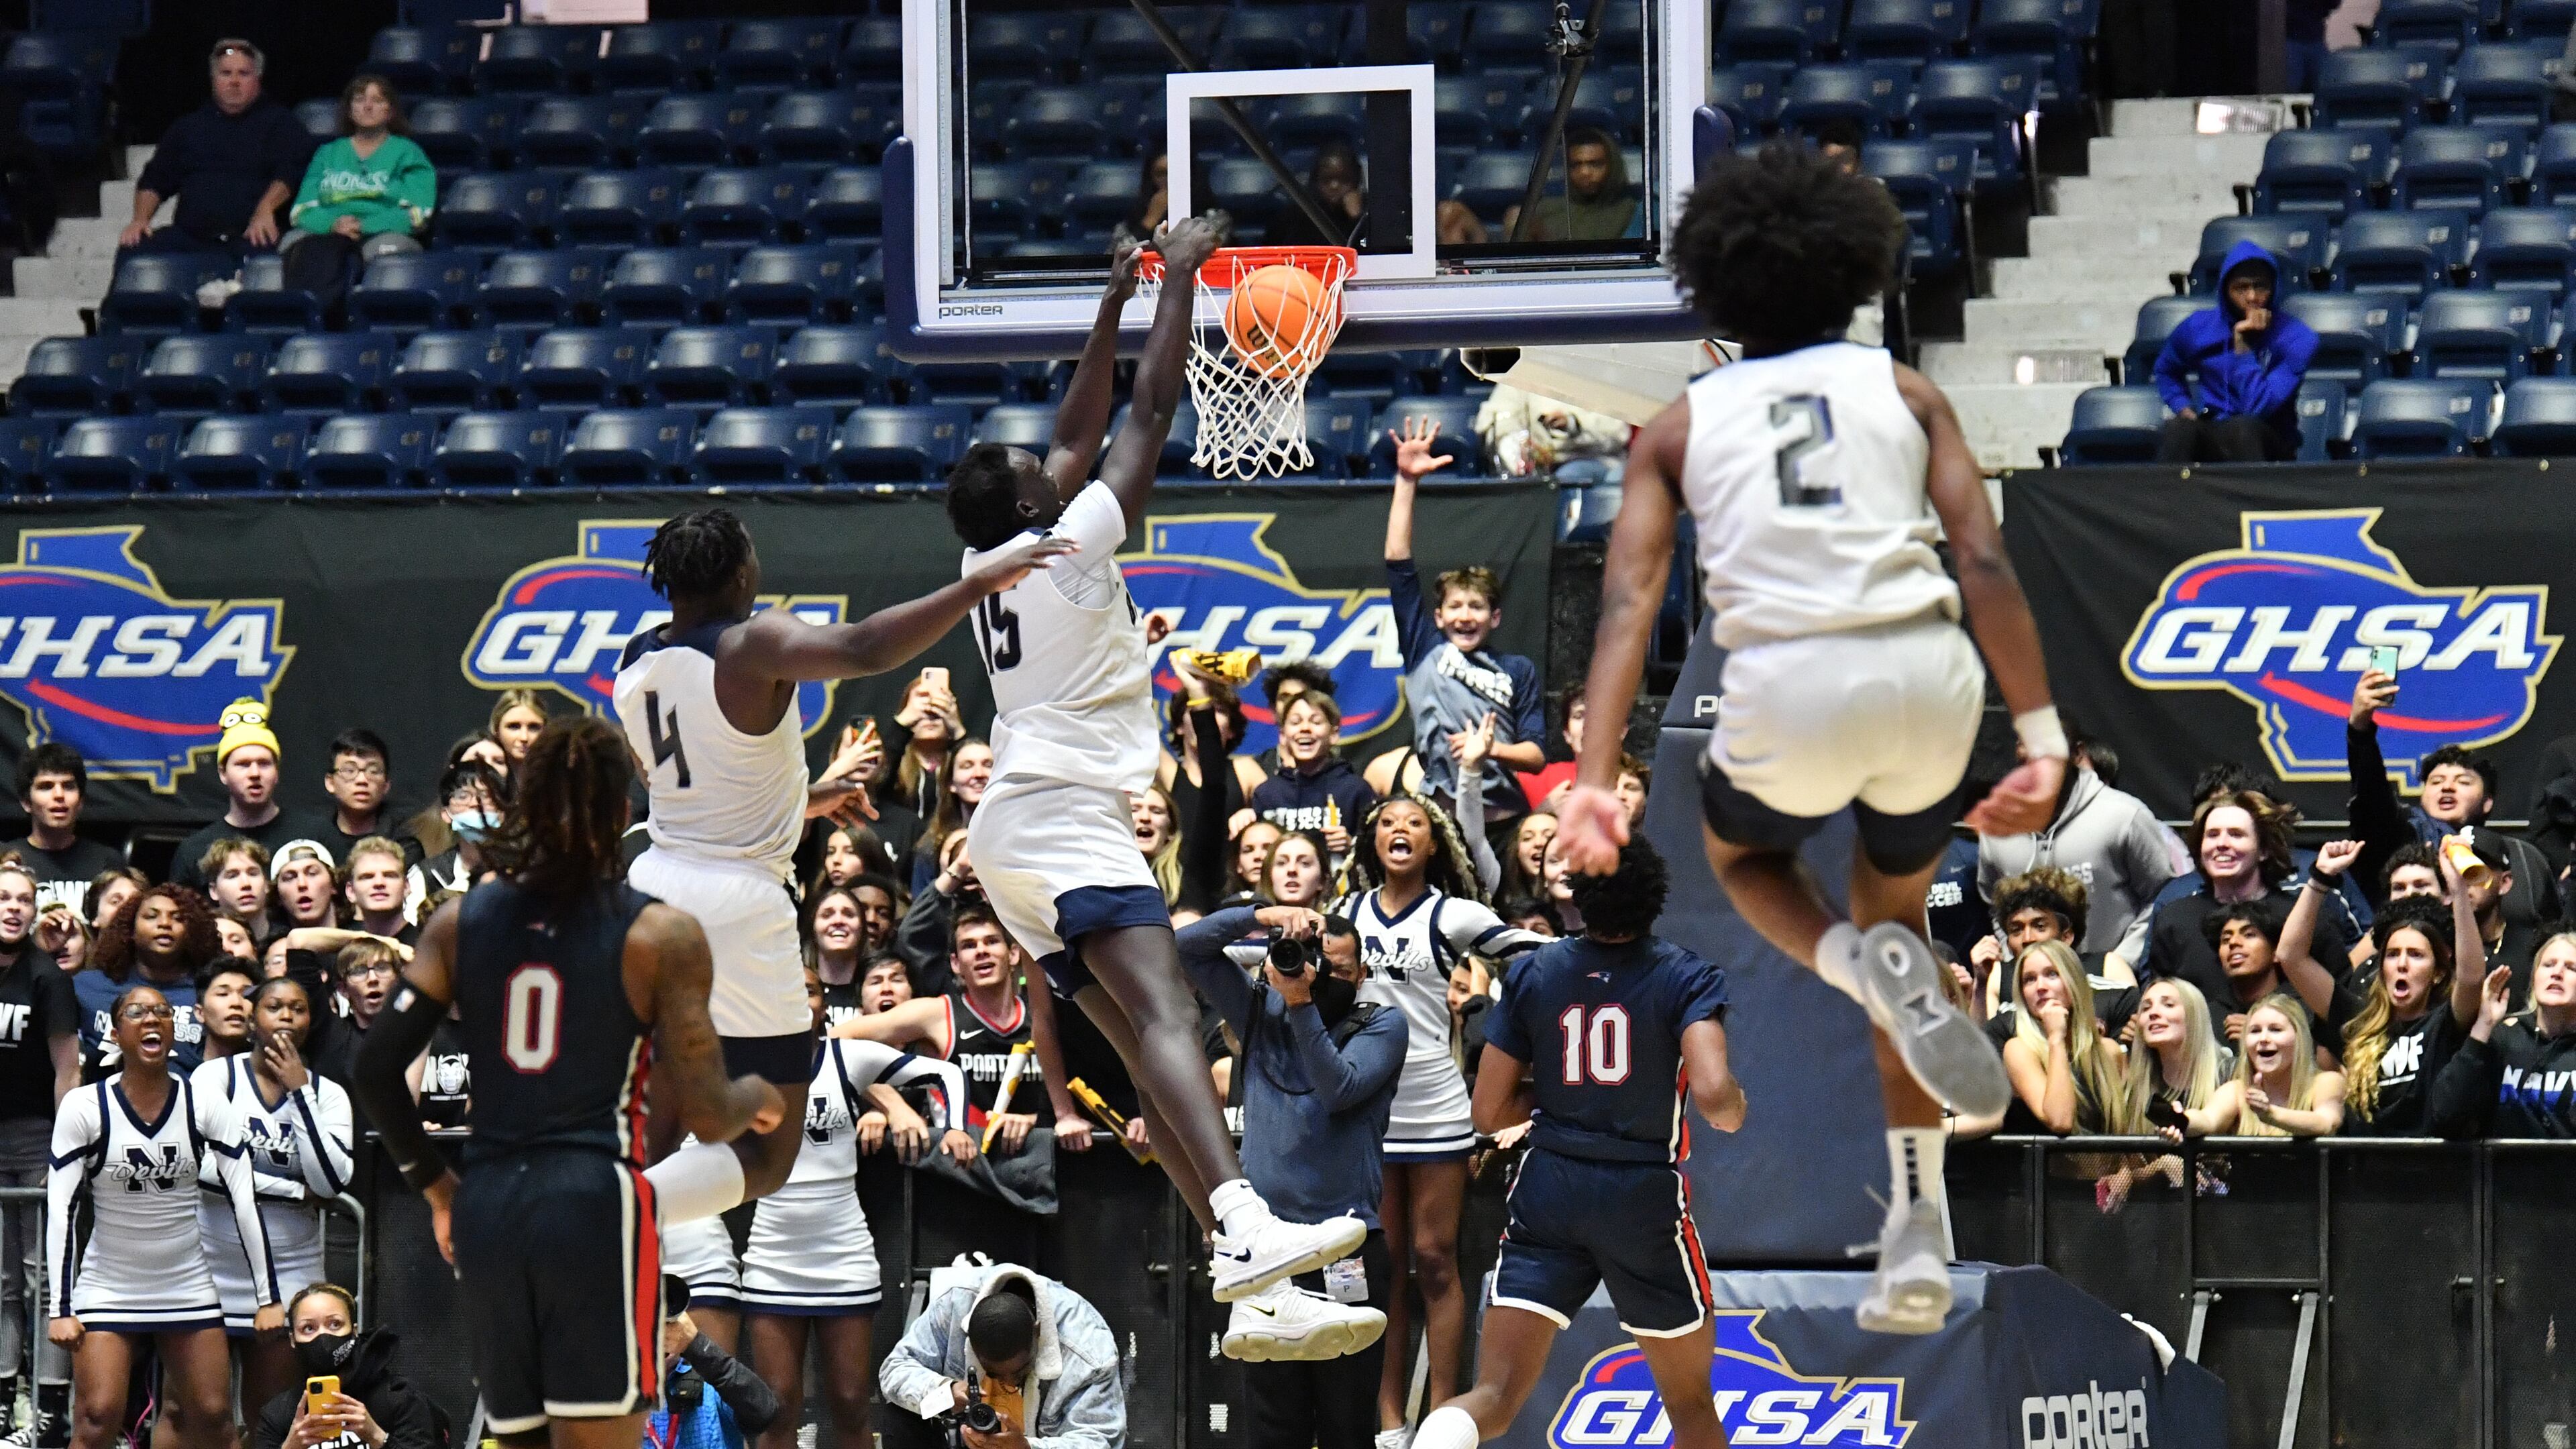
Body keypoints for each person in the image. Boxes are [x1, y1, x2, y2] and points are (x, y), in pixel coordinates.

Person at [1556, 141, 2061, 1335]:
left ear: (1713, 291)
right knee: (1897, 926)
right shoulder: (1908, 391)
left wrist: (1590, 778)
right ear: (1854, 276)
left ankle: (1851, 964)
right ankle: (1919, 1236)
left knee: (1747, 865)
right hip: (1930, 681)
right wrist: (2040, 734)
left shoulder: (1680, 424)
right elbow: (1984, 560)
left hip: (1787, 685)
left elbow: (1630, 602)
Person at [939, 217, 1368, 1321]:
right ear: (1037, 501)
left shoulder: (991, 553)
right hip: (1058, 815)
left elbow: (1075, 431)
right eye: (1041, 470)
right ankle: (1247, 1216)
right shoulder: (1074, 545)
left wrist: (1108, 301)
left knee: (1141, 1051)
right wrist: (1176, 281)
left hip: (1018, 832)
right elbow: (1147, 413)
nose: (1054, 458)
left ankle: (1244, 1268)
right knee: (1170, 1015)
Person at [610, 504, 1062, 1227]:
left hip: (655, 887)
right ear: (738, 573)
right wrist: (976, 587)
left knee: (660, 1120)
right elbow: (861, 650)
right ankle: (619, 1214)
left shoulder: (633, 659)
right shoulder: (751, 642)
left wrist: (803, 802)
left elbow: (684, 779)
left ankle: (616, 1251)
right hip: (736, 902)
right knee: (771, 1150)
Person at [352, 717, 784, 1447]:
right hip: (591, 1205)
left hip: (489, 1200)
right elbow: (712, 1116)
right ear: (623, 815)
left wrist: (437, 1187)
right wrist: (763, 1099)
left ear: (525, 810)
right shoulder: (660, 934)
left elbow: (373, 1068)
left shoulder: (458, 921)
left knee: (518, 1438)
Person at [1407, 839, 1743, 1449]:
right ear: (1653, 896)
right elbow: (1717, 1100)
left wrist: (1561, 1107)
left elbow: (1488, 1109)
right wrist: (1734, 1108)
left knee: (1495, 1399)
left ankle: (1434, 1439)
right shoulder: (1686, 974)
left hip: (1548, 1185)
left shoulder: (1534, 971)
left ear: (1581, 898)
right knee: (1690, 1403)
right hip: (1640, 1193)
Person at [1332, 796, 1546, 1434]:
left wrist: (1595, 948)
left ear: (1435, 844)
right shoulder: (1343, 915)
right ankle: (1391, 1421)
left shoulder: (1452, 915)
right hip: (1369, 1102)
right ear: (1372, 841)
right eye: (1389, 824)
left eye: (1415, 824)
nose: (1401, 831)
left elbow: (1526, 949)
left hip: (1435, 1104)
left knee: (1435, 1259)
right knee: (1385, 1265)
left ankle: (1445, 1419)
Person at [1176, 906, 1400, 1394]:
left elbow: (1339, 1088)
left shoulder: (1382, 1025)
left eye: (1340, 971)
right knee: (1273, 1421)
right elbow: (1187, 946)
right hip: (1267, 1252)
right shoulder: (1260, 1011)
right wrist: (1261, 913)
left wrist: (1301, 1005)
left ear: (1362, 976)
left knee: (1347, 1418)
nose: (1323, 978)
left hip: (1347, 1247)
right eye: (1317, 962)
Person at [743, 970, 969, 1449]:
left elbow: (945, 1072)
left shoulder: (849, 1057)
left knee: (849, 1402)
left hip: (843, 1252)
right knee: (777, 1405)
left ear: (823, 1004)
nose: (795, 997)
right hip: (772, 1253)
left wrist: (954, 1126)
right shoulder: (745, 1067)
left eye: (807, 988)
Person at [48, 984, 280, 1449]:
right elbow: (61, 1209)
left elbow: (244, 1199)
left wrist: (268, 1297)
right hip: (108, 1284)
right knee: (96, 1418)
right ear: (115, 1033)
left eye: (161, 1011)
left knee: (215, 1417)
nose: (151, 1019)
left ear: (176, 1030)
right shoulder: (85, 1106)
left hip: (186, 1282)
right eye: (136, 1012)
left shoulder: (204, 1102)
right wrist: (61, 1309)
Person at [191, 976, 354, 1419]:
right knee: (193, 1412)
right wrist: (290, 1190)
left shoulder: (329, 1095)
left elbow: (330, 1183)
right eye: (274, 1006)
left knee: (274, 1413)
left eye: (298, 1008)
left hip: (290, 1274)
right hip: (210, 1268)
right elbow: (201, 1168)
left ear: (310, 1021)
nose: (286, 1016)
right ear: (252, 1019)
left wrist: (300, 1094)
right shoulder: (216, 1077)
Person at [1376, 418, 1544, 833]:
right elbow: (1398, 563)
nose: (1466, 616)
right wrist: (1406, 482)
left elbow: (1536, 756)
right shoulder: (1424, 648)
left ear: (1495, 617)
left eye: (1477, 607)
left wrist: (1490, 751)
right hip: (1442, 822)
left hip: (1503, 821)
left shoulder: (1517, 670)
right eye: (1455, 607)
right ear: (1438, 617)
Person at [2347, 668, 2559, 932]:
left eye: (2463, 781)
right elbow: (2373, 798)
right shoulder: (2403, 836)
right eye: (2436, 782)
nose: (2447, 786)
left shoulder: (2522, 857)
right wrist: (2360, 732)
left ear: (2488, 802)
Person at [2280, 867, 2479, 1137]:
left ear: (2439, 973)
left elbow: (2471, 977)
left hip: (2433, 1171)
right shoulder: (2358, 1019)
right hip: (2365, 1172)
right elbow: (2291, 956)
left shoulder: (2446, 1022)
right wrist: (2318, 880)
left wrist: (2458, 893)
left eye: (2417, 955)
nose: (2403, 964)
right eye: (2393, 955)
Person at [2143, 790, 2351, 1018]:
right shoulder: (2175, 919)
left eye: (2236, 834)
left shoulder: (2304, 918)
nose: (2222, 844)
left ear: (2263, 850)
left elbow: (2339, 1004)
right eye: (2212, 835)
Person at [876, 1263, 1123, 1449]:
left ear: (1037, 1332)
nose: (1008, 1383)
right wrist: (945, 1392)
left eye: (1020, 1372)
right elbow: (894, 1370)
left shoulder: (1087, 1347)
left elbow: (1101, 1439)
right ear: (969, 1338)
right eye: (993, 1374)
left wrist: (1027, 1447)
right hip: (965, 1439)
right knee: (904, 1411)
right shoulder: (955, 1306)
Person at [117, 40, 311, 274]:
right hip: (190, 239)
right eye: (226, 73)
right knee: (134, 248)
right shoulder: (187, 128)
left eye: (244, 74)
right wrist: (140, 220)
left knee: (270, 264)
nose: (234, 82)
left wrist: (266, 209)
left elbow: (292, 171)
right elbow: (155, 179)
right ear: (213, 79)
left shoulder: (282, 124)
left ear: (257, 78)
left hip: (251, 236)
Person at [0, 862, 76, 1446]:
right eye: (4, 897)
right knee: (0, 1282)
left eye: (25, 899)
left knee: (44, 1276)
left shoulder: (46, 976)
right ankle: (4, 1402)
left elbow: (67, 1069)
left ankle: (51, 1413)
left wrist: (67, 1147)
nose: (14, 907)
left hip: (35, 1135)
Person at [1974, 754, 2177, 970]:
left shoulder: (2123, 815)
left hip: (2117, 980)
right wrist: (2018, 959)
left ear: (2076, 752)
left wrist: (2121, 963)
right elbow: (1996, 906)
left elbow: (2164, 896)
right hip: (2031, 983)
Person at [280, 75, 433, 318]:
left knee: (383, 251)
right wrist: (333, 225)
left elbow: (417, 214)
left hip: (381, 232)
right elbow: (301, 211)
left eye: (377, 100)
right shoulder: (327, 153)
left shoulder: (408, 153)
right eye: (360, 100)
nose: (368, 106)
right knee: (292, 242)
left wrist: (364, 225)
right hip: (329, 231)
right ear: (350, 110)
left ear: (389, 110)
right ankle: (305, 319)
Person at [2151, 241, 2317, 464]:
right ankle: (2166, 497)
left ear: (2274, 288)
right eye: (2241, 288)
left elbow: (2257, 408)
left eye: (2260, 287)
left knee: (2242, 428)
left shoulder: (2297, 338)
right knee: (2179, 429)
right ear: (2225, 290)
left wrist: (2243, 348)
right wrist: (2183, 407)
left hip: (2269, 437)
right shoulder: (2198, 328)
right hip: (2214, 428)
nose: (2251, 297)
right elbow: (2165, 370)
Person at [250, 1283, 443, 1449]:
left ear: (354, 1332)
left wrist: (377, 1436)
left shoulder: (398, 1399)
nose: (323, 1337)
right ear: (293, 1340)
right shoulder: (278, 1415)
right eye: (309, 1328)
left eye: (335, 1324)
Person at [2426, 929, 2576, 1137]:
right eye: (2548, 965)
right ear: (2534, 979)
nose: (2557, 973)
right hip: (2501, 1168)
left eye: (2571, 968)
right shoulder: (2502, 1038)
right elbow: (2445, 1114)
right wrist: (2483, 1025)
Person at [2094, 979, 2228, 1212]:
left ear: (2194, 1015)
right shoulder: (2135, 1092)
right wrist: (2158, 1167)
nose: (2154, 1013)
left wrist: (2181, 1128)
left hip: (2226, 1219)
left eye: (2168, 1005)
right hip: (2158, 1224)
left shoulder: (2228, 1074)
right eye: (2146, 1008)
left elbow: (2212, 1125)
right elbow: (2131, 1168)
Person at [171, 702, 308, 892]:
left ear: (276, 771)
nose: (255, 773)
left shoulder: (313, 835)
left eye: (264, 764)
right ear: (223, 773)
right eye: (243, 764)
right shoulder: (195, 850)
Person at [84, 886, 219, 1077]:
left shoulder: (209, 992)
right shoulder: (86, 988)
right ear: (130, 930)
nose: (165, 923)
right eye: (151, 916)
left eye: (178, 918)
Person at [1997, 941, 2129, 1136]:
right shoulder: (2019, 1050)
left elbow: (2126, 1132)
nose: (2040, 987)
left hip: (2106, 1165)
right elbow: (2060, 1121)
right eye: (2030, 979)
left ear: (2074, 980)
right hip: (2045, 1166)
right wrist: (2056, 1038)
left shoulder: (2108, 1051)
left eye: (2052, 974)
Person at [2171, 995, 2344, 1137]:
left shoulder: (2326, 1082)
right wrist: (2179, 1119)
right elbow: (2208, 1119)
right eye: (2255, 1031)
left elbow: (2327, 1122)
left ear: (2299, 1039)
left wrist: (2271, 1114)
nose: (2263, 1039)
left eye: (2275, 1030)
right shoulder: (2236, 1090)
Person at [651, 1281, 780, 1449]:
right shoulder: (619, 1394)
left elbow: (763, 1413)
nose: (663, 1335)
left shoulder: (710, 1379)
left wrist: (695, 1345)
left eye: (669, 1324)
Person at [1250, 695, 1374, 859]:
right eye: (1295, 722)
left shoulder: (1356, 790)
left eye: (1316, 722)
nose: (1305, 728)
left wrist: (1351, 845)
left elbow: (1376, 852)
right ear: (1282, 736)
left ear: (1334, 734)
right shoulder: (1267, 794)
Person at [6, 746, 117, 919]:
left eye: (69, 786)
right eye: (46, 787)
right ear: (27, 802)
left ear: (81, 801)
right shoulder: (5, 859)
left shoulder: (108, 862)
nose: (59, 795)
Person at [403, 759, 504, 923]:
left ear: (503, 811)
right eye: (463, 796)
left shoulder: (521, 868)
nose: (474, 804)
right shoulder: (428, 873)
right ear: (446, 814)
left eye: (485, 796)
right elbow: (411, 926)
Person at [1513, 128, 1644, 241]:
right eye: (1576, 165)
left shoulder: (1632, 210)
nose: (1584, 173)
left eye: (1595, 164)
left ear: (1613, 167)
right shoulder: (1546, 209)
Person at [313, 731, 414, 871]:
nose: (362, 780)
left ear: (386, 785)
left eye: (373, 771)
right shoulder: (315, 839)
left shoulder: (404, 842)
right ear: (330, 782)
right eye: (349, 770)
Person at [487, 691, 549, 771]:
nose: (524, 737)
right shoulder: (482, 774)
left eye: (533, 727)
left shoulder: (560, 778)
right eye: (514, 727)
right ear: (496, 730)